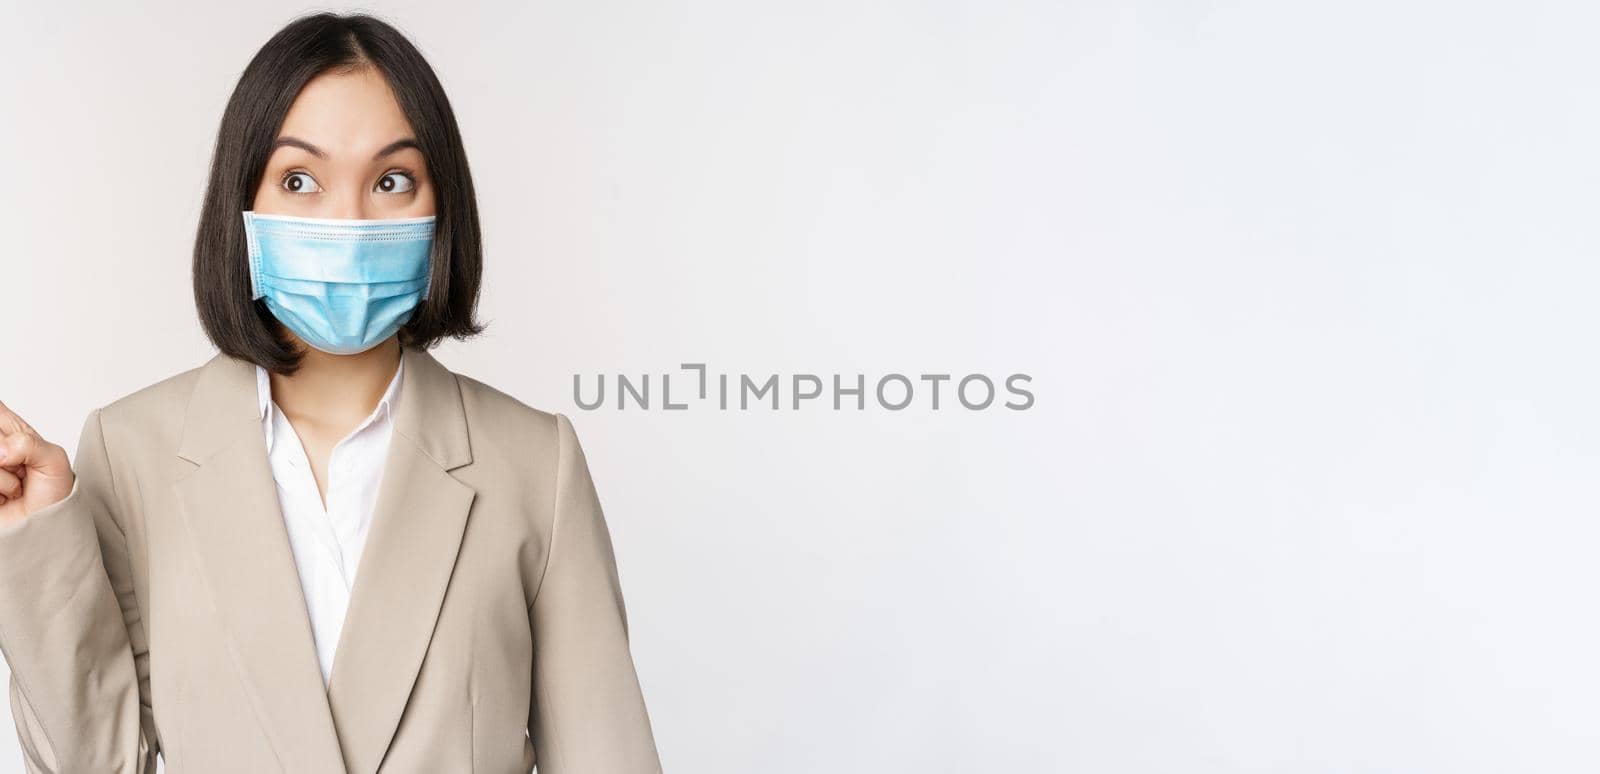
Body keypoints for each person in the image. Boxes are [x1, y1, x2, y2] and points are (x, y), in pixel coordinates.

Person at [0, 12, 663, 774]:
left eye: (391, 181)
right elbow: (94, 763)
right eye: (300, 181)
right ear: (241, 206)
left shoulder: (533, 462)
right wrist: (34, 541)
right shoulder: (132, 450)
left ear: (440, 210)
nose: (347, 222)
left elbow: (608, 758)